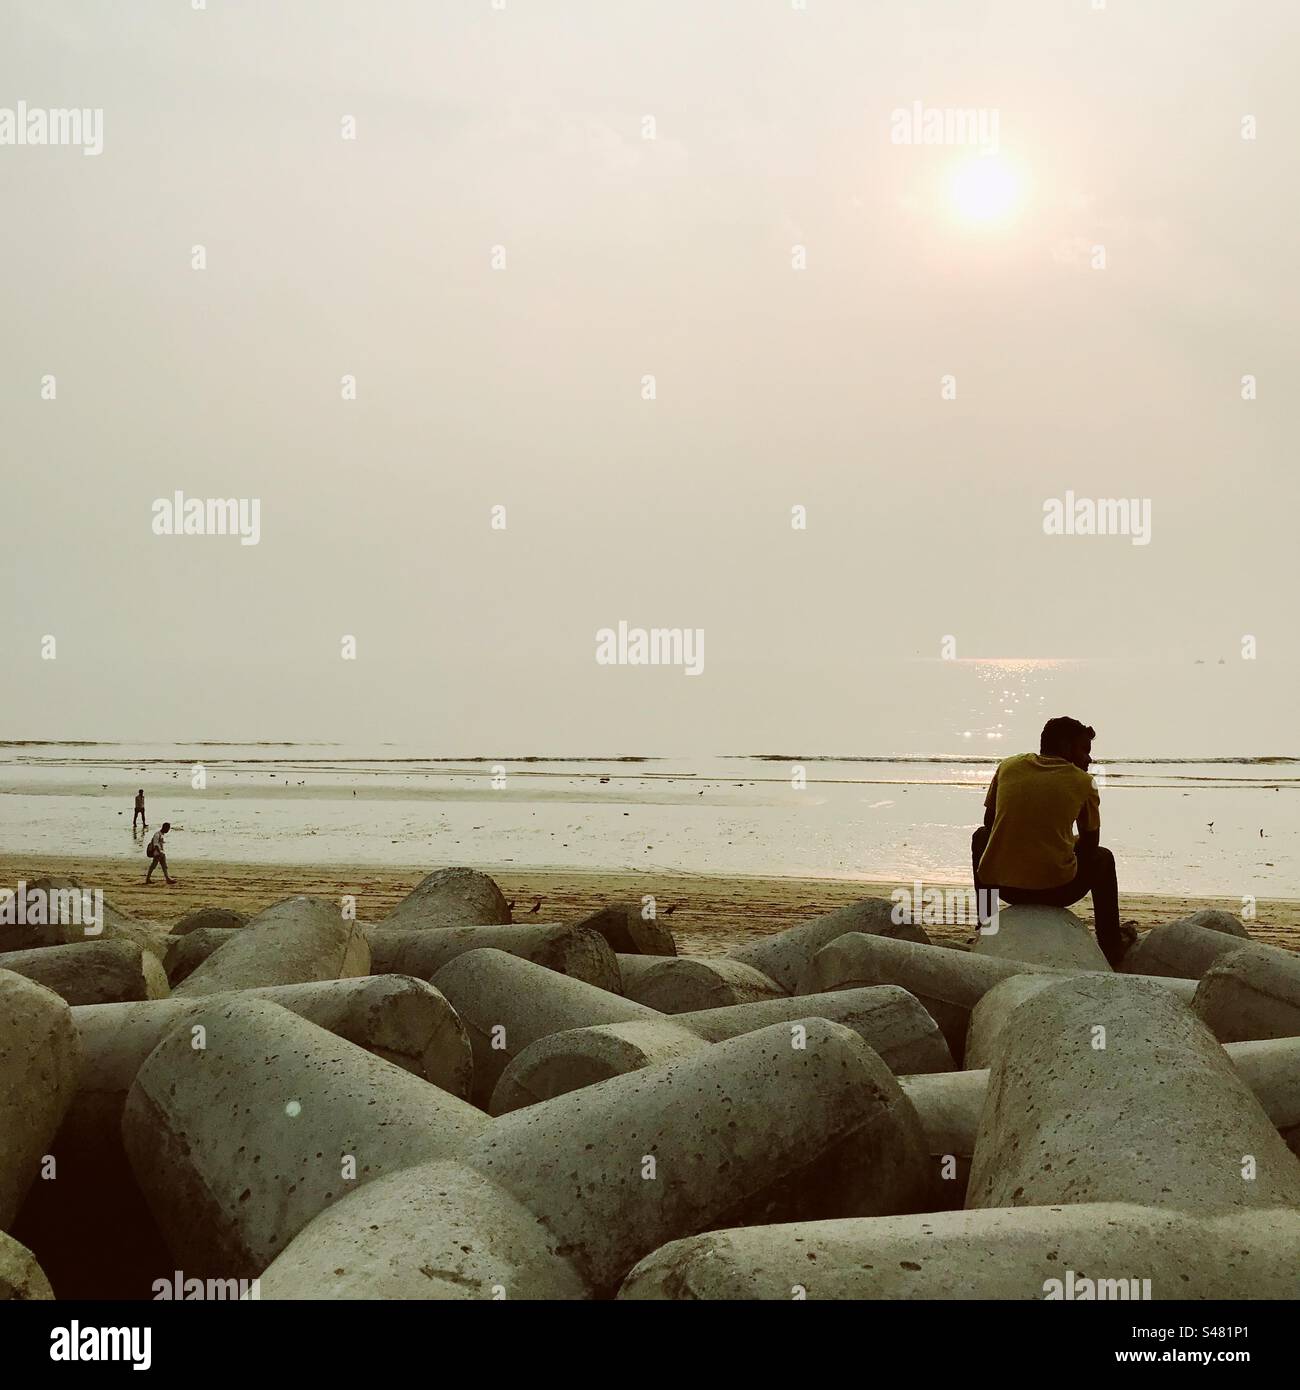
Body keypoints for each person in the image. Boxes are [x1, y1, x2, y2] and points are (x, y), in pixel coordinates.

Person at [971, 716, 1128, 967]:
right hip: (1057, 890)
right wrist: (1064, 842)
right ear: (1066, 747)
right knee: (1104, 858)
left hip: (1005, 887)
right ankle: (1111, 947)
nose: (1089, 759)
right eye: (1084, 750)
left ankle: (986, 922)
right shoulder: (1084, 782)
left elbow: (990, 823)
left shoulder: (1008, 766)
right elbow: (1090, 845)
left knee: (979, 836)